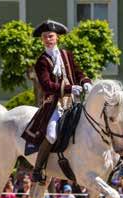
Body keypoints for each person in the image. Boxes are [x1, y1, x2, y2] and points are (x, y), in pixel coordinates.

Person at [21, 19, 92, 185]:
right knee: (52, 134)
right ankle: (38, 169)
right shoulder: (41, 61)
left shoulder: (67, 55)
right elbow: (46, 85)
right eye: (45, 37)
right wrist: (68, 89)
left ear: (57, 38)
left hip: (73, 102)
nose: (48, 39)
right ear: (42, 40)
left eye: (51, 36)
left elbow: (78, 72)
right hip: (54, 104)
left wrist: (85, 82)